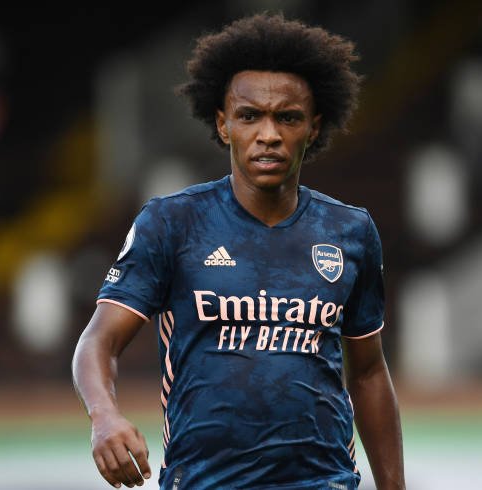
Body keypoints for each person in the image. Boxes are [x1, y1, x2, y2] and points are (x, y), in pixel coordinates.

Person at [72, 13, 405, 490]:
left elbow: (369, 372)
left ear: (313, 127)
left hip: (323, 482)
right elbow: (97, 341)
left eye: (287, 117)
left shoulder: (350, 231)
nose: (268, 134)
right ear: (223, 124)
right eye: (250, 116)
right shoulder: (173, 223)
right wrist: (104, 416)